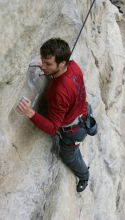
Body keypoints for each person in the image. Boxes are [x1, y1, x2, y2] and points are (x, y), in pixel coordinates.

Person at [17, 38, 89, 192]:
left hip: (73, 130)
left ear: (62, 63)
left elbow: (53, 128)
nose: (43, 66)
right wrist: (48, 68)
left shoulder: (58, 92)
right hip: (82, 110)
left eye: (48, 64)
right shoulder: (73, 66)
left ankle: (84, 175)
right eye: (42, 61)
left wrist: (30, 113)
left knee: (69, 156)